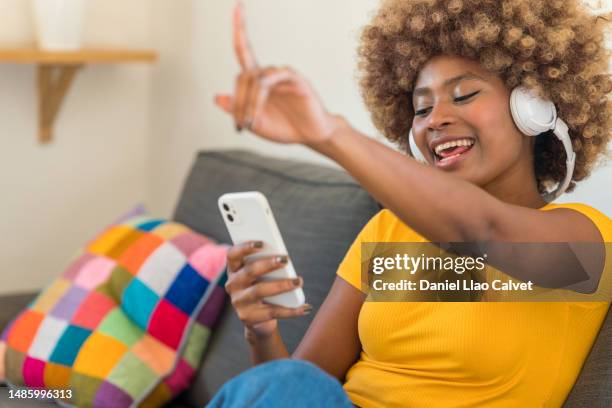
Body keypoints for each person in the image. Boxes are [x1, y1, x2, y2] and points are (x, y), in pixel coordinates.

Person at [210, 0, 611, 407]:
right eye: (421, 108)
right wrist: (261, 333)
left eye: (464, 94)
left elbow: (484, 230)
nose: (435, 119)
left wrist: (329, 133)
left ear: (534, 106)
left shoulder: (587, 241)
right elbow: (297, 382)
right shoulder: (390, 230)